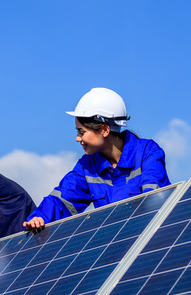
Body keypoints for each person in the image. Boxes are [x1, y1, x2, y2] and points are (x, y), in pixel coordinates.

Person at [24, 87, 170, 230]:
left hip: (149, 238)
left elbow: (154, 199)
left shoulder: (148, 152)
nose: (77, 138)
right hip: (116, 246)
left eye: (82, 132)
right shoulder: (86, 166)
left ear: (105, 130)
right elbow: (63, 200)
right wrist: (40, 217)